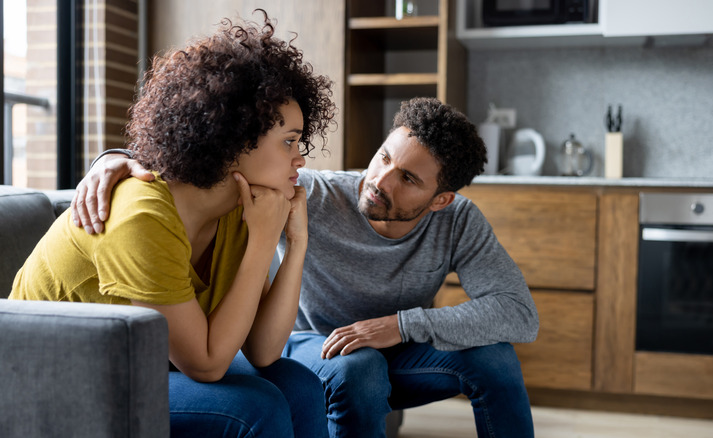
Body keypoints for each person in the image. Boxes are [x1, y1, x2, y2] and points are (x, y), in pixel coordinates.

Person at [74, 97, 540, 438]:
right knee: (359, 369)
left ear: (440, 200)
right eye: (384, 157)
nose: (379, 180)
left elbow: (519, 313)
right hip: (309, 346)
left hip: (397, 349)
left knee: (496, 360)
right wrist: (118, 159)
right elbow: (215, 165)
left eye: (408, 178)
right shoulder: (315, 194)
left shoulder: (459, 222)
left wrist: (400, 326)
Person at [11, 11, 336, 438]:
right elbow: (207, 364)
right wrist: (261, 241)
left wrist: (296, 242)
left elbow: (263, 350)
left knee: (300, 386)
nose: (300, 159)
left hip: (141, 363)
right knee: (255, 408)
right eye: (289, 141)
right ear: (233, 137)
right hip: (53, 379)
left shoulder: (240, 209)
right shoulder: (141, 213)